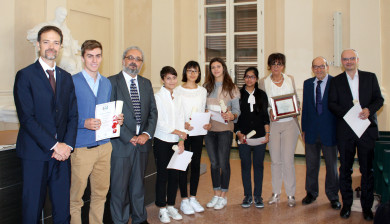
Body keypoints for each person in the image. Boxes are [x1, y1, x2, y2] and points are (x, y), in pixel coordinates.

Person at [13, 25, 78, 223]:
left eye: (56, 42)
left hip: (62, 156)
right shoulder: (25, 75)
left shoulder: (66, 78)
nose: (52, 46)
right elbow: (27, 118)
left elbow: (73, 115)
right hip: (35, 155)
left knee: (62, 210)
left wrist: (66, 145)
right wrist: (55, 145)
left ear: (61, 47)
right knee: (32, 210)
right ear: (38, 45)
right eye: (47, 42)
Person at [70, 40, 123, 224]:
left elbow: (107, 112)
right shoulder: (72, 82)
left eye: (98, 56)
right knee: (76, 199)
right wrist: (83, 122)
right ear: (83, 57)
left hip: (104, 147)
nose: (94, 60)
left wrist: (117, 120)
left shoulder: (106, 83)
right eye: (90, 56)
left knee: (100, 194)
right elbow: (63, 117)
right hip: (82, 148)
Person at [328, 49, 384, 220]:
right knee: (345, 169)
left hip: (366, 130)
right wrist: (349, 114)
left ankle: (367, 207)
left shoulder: (370, 77)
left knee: (367, 170)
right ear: (342, 62)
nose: (349, 61)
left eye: (352, 58)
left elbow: (379, 99)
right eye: (345, 59)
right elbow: (332, 103)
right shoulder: (336, 81)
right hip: (346, 131)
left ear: (357, 59)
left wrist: (369, 110)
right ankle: (347, 205)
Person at [109, 46, 158, 224]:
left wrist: (146, 134)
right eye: (130, 57)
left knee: (138, 186)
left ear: (141, 64)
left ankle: (140, 218)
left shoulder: (146, 83)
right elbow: (109, 114)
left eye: (138, 59)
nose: (133, 62)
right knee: (119, 188)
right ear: (123, 60)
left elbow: (153, 112)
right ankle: (120, 220)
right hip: (121, 144)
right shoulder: (111, 82)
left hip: (142, 144)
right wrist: (128, 136)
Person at [259, 53, 300, 207]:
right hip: (274, 125)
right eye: (274, 64)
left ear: (283, 65)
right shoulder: (264, 82)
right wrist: (270, 109)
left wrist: (297, 106)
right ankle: (276, 193)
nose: (276, 67)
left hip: (290, 124)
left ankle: (291, 195)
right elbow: (263, 105)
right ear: (269, 66)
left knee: (288, 160)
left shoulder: (290, 79)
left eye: (280, 64)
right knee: (275, 161)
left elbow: (295, 98)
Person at [301, 57, 341, 209]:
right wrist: (303, 129)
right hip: (311, 131)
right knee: (311, 165)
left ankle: (333, 195)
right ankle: (311, 193)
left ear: (327, 67)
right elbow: (305, 108)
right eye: (316, 67)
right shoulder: (307, 84)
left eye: (322, 66)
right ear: (312, 68)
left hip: (329, 130)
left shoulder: (335, 82)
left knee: (331, 166)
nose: (319, 69)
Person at [203, 57, 240, 210]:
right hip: (210, 130)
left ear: (223, 68)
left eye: (218, 66)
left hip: (225, 130)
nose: (216, 70)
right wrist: (204, 114)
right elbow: (202, 108)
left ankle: (223, 195)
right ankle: (216, 193)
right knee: (213, 164)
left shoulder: (232, 87)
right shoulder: (206, 87)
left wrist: (232, 116)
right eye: (213, 67)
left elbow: (237, 111)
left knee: (223, 163)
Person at [154, 66, 187, 223]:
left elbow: (181, 118)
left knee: (175, 175)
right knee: (163, 175)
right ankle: (162, 208)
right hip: (162, 140)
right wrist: (178, 132)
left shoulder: (179, 97)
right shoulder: (158, 97)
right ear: (162, 79)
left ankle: (171, 205)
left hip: (176, 141)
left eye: (174, 78)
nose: (172, 81)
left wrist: (181, 139)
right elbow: (159, 123)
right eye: (168, 78)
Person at [175, 61, 208, 215]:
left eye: (195, 71)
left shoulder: (202, 91)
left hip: (198, 133)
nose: (192, 74)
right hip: (183, 133)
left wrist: (206, 123)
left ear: (199, 73)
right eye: (189, 70)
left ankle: (193, 197)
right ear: (185, 72)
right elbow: (176, 113)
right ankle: (184, 199)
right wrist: (183, 125)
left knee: (195, 165)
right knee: (183, 166)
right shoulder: (178, 90)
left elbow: (202, 110)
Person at [235, 67, 270, 208]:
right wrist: (238, 133)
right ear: (244, 78)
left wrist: (268, 134)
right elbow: (235, 116)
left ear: (256, 79)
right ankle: (248, 196)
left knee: (258, 166)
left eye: (252, 77)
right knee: (245, 166)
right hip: (242, 137)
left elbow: (265, 117)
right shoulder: (237, 94)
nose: (249, 79)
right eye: (247, 76)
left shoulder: (262, 95)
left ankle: (258, 196)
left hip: (260, 137)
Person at [27, 7, 82, 74]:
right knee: (71, 64)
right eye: (62, 15)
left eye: (65, 16)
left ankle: (71, 83)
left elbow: (72, 42)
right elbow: (30, 35)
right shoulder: (46, 25)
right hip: (59, 56)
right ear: (57, 14)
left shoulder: (65, 29)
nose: (63, 17)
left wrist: (84, 48)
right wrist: (43, 35)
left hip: (64, 54)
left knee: (78, 61)